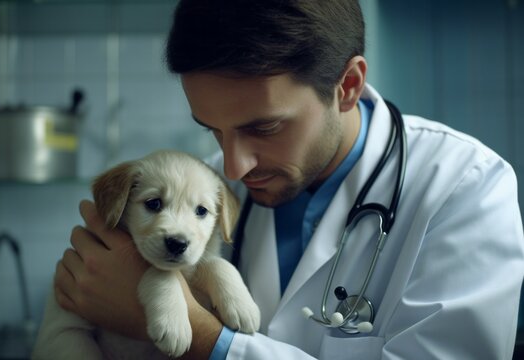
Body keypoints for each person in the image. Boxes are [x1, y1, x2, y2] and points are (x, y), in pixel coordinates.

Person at [53, 0, 524, 359]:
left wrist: (208, 339)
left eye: (264, 128)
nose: (232, 167)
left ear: (348, 86)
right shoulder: (204, 183)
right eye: (212, 129)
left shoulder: (466, 188)